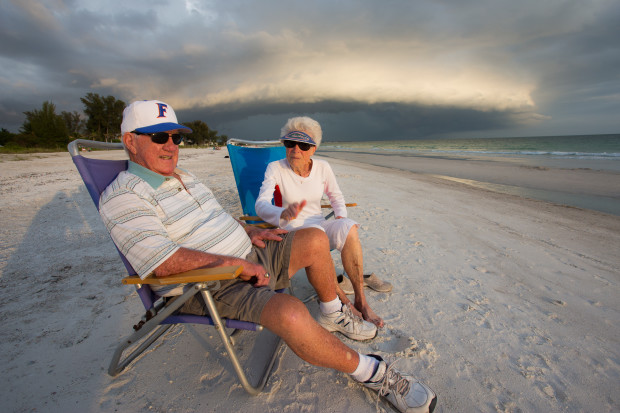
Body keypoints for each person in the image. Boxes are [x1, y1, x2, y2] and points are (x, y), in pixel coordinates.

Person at [99, 100, 437, 413]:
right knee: (290, 312)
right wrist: (238, 264)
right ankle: (373, 372)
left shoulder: (184, 178)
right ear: (130, 141)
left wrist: (248, 232)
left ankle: (333, 312)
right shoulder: (124, 196)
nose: (171, 146)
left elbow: (217, 219)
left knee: (316, 238)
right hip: (208, 284)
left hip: (248, 253)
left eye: (176, 137)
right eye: (160, 137)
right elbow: (163, 263)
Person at [255, 116, 390, 328]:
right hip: (294, 229)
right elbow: (260, 204)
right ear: (285, 145)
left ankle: (361, 300)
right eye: (290, 143)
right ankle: (344, 303)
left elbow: (335, 197)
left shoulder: (323, 167)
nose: (296, 149)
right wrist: (282, 213)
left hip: (319, 222)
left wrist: (340, 218)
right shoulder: (275, 168)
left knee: (349, 228)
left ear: (313, 149)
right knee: (318, 235)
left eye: (304, 145)